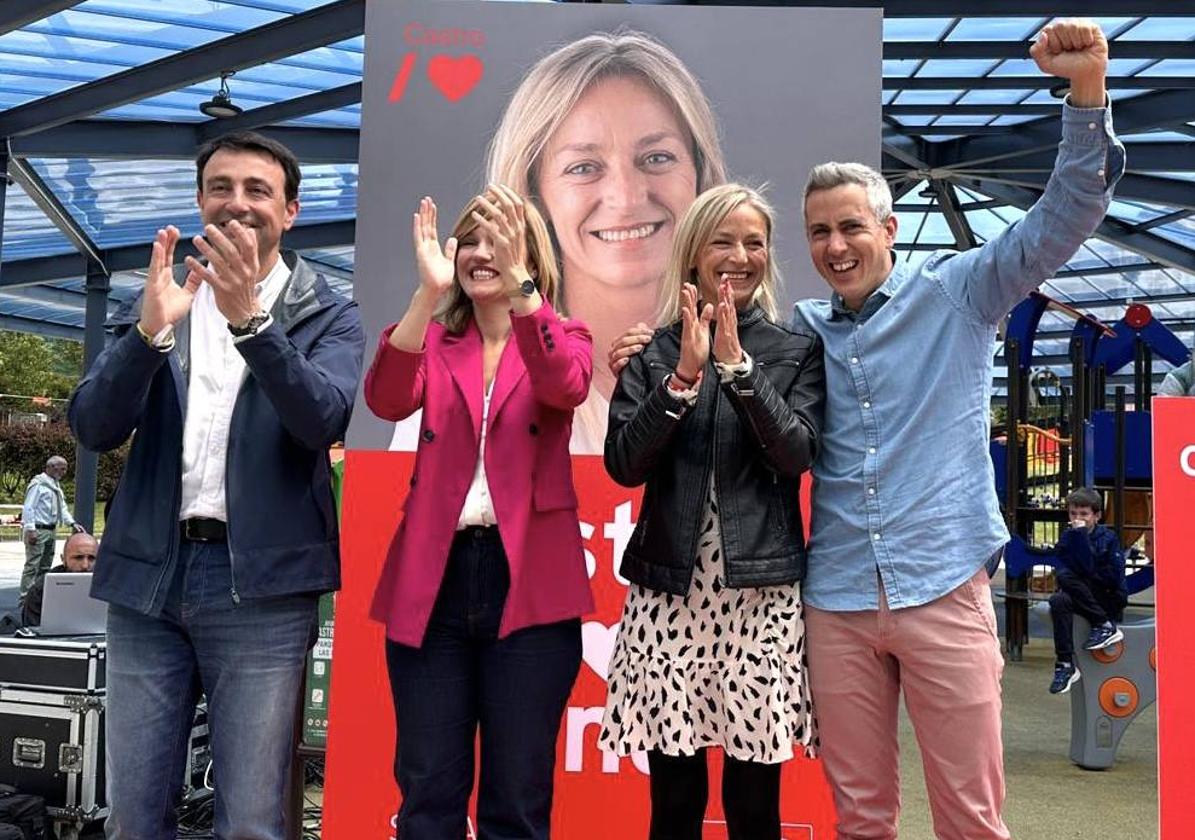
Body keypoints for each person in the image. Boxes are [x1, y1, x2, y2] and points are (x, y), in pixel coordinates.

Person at [609, 18, 1121, 840]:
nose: (836, 244)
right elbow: (727, 339)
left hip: (942, 583)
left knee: (969, 817)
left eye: (852, 226)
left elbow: (1064, 217)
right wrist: (650, 347)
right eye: (819, 231)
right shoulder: (797, 331)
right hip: (837, 599)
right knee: (860, 818)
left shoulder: (960, 291)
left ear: (887, 228)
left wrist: (1085, 95)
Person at [68, 130, 364, 840]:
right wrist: (145, 338)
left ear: (290, 211)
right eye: (221, 188)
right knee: (134, 816)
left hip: (260, 591)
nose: (238, 204)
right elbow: (93, 426)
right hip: (147, 583)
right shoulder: (162, 296)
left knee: (252, 820)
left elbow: (320, 418)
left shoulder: (329, 310)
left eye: (257, 191)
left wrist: (254, 326)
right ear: (200, 200)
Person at [364, 185, 593, 839]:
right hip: (432, 583)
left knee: (516, 799)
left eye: (499, 238)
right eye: (469, 239)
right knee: (427, 792)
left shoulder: (564, 333)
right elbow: (385, 398)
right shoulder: (435, 339)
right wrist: (425, 295)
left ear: (529, 254)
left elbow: (564, 384)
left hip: (529, 588)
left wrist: (524, 289)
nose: (479, 252)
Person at [601, 184, 823, 840]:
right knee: (673, 802)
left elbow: (795, 454)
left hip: (761, 598)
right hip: (668, 592)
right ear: (693, 254)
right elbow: (623, 465)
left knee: (755, 803)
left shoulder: (792, 350)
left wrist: (740, 372)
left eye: (753, 242)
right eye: (722, 241)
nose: (739, 255)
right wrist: (680, 379)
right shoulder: (652, 350)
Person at [475, 30, 726, 454]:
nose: (626, 198)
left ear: (700, 174)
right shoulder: (475, 370)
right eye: (583, 167)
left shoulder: (753, 364)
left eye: (657, 158)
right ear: (535, 193)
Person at [1047, 488, 1127, 694]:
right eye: (1073, 514)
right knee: (1058, 600)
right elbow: (1068, 565)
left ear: (1097, 516)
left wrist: (1081, 538)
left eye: (1084, 514)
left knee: (1066, 578)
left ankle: (1104, 624)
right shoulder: (1069, 537)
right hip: (1081, 594)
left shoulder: (1108, 538)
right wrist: (1078, 539)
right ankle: (1065, 663)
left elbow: (1097, 571)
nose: (1078, 519)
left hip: (1107, 596)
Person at [19, 455, 83, 599]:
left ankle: (39, 595)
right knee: (32, 565)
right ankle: (25, 598)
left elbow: (62, 508)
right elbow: (29, 507)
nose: (64, 472)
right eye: (62, 468)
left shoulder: (55, 486)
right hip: (38, 530)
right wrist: (31, 529)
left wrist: (72, 523)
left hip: (51, 530)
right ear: (51, 467)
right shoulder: (38, 484)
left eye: (65, 468)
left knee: (45, 565)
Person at [20, 531, 98, 628]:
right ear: (63, 559)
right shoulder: (42, 589)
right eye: (78, 558)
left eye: (92, 558)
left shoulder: (110, 585)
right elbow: (31, 630)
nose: (85, 565)